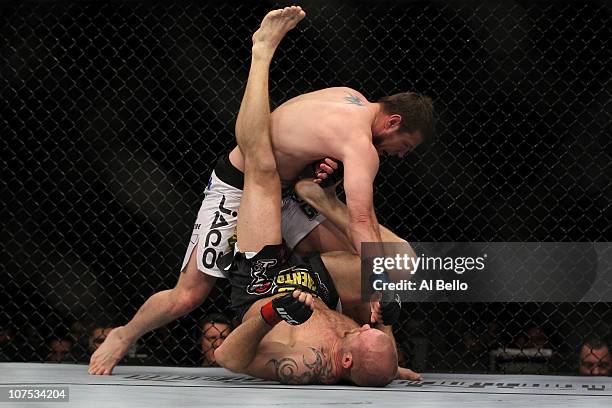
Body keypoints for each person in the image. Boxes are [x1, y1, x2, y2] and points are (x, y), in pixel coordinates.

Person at [89, 4, 434, 375]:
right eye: (405, 146)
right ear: (393, 121)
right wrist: (379, 288)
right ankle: (124, 335)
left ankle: (374, 349)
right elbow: (363, 219)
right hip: (241, 184)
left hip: (287, 192)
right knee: (187, 295)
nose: (399, 155)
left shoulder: (348, 95)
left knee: (398, 262)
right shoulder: (362, 148)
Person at [212, 7, 398, 386]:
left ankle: (260, 51)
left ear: (345, 361)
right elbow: (377, 349)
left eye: (366, 336)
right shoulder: (359, 345)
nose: (364, 329)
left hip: (263, 291)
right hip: (314, 282)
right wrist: (386, 330)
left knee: (260, 167)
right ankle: (320, 197)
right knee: (395, 266)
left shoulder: (303, 361)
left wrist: (273, 313)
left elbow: (227, 356)